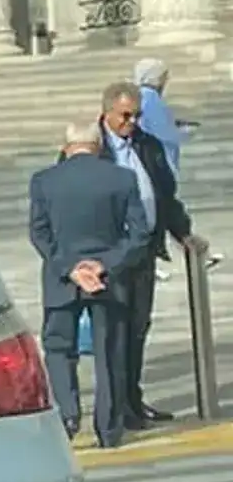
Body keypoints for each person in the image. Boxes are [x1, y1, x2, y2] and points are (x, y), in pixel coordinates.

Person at [30, 120, 154, 450]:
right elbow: (139, 234)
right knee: (110, 352)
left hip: (62, 279)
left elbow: (39, 233)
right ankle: (108, 427)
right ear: (98, 146)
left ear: (66, 147)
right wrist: (104, 265)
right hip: (108, 281)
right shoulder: (121, 178)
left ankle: (68, 417)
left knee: (59, 349)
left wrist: (70, 268)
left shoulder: (44, 181)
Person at [98, 81, 209, 428]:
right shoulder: (91, 148)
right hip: (110, 253)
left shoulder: (148, 146)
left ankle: (133, 399)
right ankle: (115, 405)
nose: (131, 122)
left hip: (144, 250)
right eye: (125, 115)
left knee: (137, 327)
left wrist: (183, 233)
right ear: (107, 112)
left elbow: (165, 195)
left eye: (136, 115)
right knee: (115, 331)